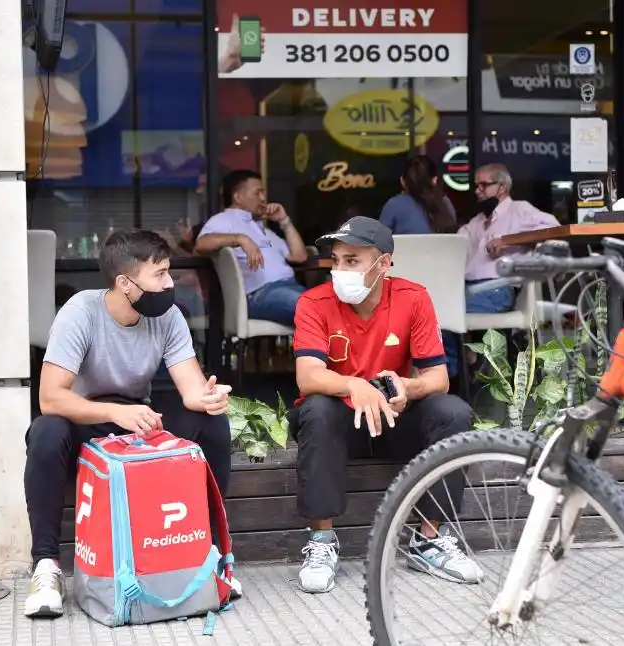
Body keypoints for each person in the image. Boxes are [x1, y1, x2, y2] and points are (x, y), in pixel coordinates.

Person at [23, 230, 234, 619]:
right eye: (160, 275)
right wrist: (114, 413)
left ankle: (213, 557)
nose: (170, 284)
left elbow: (189, 389)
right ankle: (47, 566)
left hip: (137, 422)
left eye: (169, 273)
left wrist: (208, 398)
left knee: (213, 423)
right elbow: (51, 397)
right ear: (125, 283)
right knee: (45, 431)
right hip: (86, 418)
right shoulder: (81, 312)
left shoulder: (168, 316)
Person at [289, 215, 481, 594]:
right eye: (337, 260)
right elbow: (308, 376)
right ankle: (322, 543)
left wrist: (406, 386)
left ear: (384, 264)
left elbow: (438, 378)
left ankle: (429, 540)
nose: (340, 269)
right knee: (317, 409)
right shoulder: (314, 302)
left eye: (353, 261)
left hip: (394, 419)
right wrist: (353, 385)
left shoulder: (413, 297)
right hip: (341, 423)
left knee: (453, 412)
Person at [443, 163, 561, 375]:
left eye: (483, 185)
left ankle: (454, 375)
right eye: (476, 185)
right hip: (468, 289)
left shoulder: (519, 210)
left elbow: (553, 228)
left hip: (498, 289)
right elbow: (456, 242)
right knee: (430, 312)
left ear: (502, 188)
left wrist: (509, 240)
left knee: (442, 316)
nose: (477, 190)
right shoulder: (478, 221)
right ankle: (462, 369)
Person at [195, 170, 309, 326]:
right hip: (262, 294)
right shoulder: (224, 220)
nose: (263, 199)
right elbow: (201, 244)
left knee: (338, 307)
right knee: (319, 310)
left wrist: (284, 220)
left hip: (290, 288)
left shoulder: (263, 230)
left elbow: (299, 256)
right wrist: (240, 238)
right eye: (258, 193)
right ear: (238, 197)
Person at [379, 154, 458, 234]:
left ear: (402, 181)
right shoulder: (445, 204)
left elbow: (379, 243)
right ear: (434, 180)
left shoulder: (393, 205)